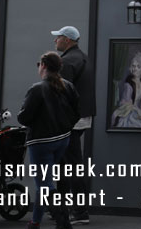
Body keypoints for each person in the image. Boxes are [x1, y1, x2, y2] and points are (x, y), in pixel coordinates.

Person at [17, 52, 79, 229]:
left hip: (41, 143)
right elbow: (76, 112)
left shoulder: (37, 89)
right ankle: (35, 221)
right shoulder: (68, 86)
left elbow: (24, 117)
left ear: (43, 66)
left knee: (44, 185)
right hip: (63, 140)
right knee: (44, 184)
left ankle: (63, 220)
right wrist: (66, 127)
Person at [52, 26, 94, 225]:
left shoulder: (67, 61)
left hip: (70, 121)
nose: (55, 41)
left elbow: (62, 92)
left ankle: (78, 211)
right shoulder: (83, 57)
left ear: (67, 40)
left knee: (70, 165)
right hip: (82, 117)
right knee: (68, 164)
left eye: (58, 38)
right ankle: (64, 209)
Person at [110, 52, 141, 129]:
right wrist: (139, 111)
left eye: (138, 66)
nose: (135, 69)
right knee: (139, 124)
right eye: (133, 66)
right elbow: (126, 104)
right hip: (130, 112)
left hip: (138, 112)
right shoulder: (129, 84)